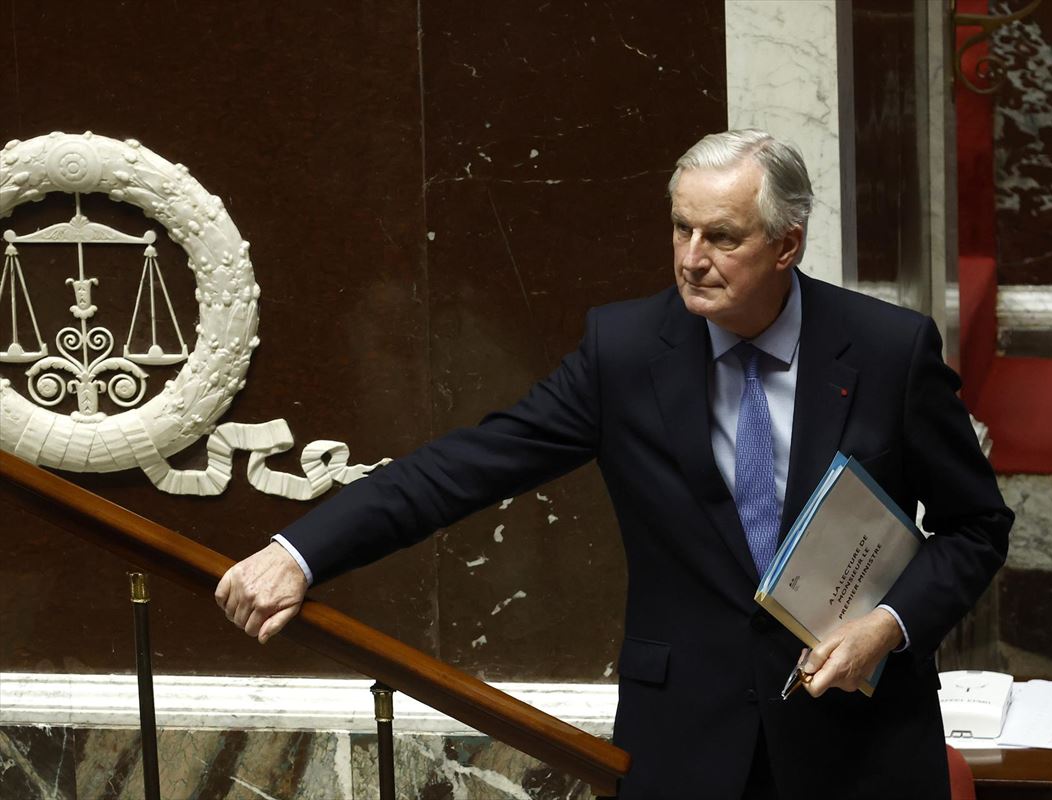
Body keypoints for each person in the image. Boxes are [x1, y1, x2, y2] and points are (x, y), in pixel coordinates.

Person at [217, 129, 1011, 799]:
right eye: (680, 229)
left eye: (722, 237)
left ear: (787, 245)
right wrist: (301, 552)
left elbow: (975, 526)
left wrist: (889, 625)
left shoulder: (887, 349)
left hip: (863, 743)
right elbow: (465, 466)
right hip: (687, 743)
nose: (692, 259)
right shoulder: (625, 353)